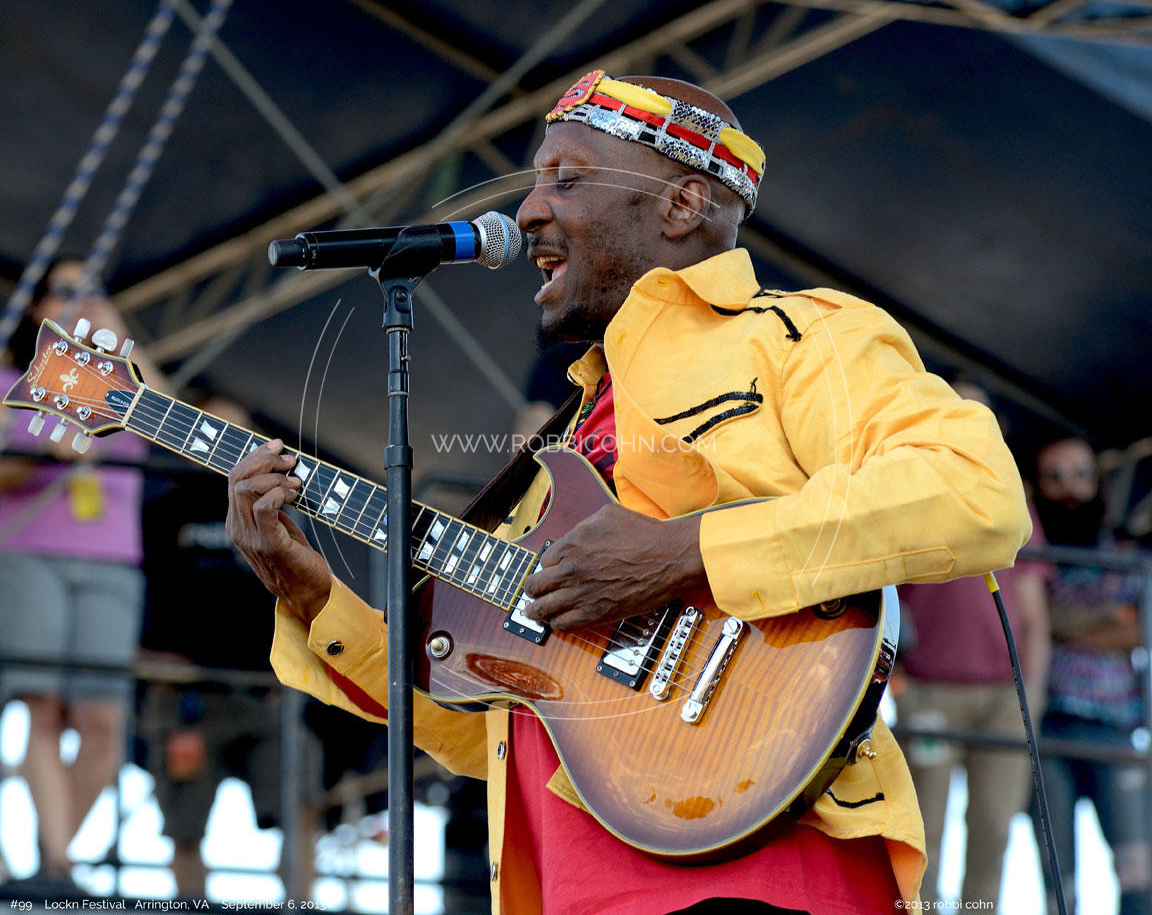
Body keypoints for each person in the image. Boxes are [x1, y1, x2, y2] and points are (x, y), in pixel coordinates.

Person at [225, 72, 1032, 913]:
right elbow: (512, 724)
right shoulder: (562, 447)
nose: (528, 211)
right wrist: (312, 597)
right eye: (537, 181)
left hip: (768, 879)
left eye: (567, 178)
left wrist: (684, 553)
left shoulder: (799, 336)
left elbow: (974, 489)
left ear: (681, 205)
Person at [0, 258, 161, 891]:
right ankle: (58, 867)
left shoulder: (126, 386)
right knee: (40, 704)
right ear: (37, 306)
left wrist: (120, 331)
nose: (78, 301)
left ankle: (50, 861)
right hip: (30, 552)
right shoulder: (11, 379)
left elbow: (173, 419)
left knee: (103, 723)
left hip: (114, 562)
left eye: (90, 290)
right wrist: (44, 450)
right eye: (64, 291)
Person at [135, 392, 321, 900]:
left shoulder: (275, 514)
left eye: (239, 437)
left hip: (264, 691)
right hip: (186, 696)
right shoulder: (162, 509)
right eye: (213, 431)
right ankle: (191, 907)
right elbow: (136, 601)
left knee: (300, 782)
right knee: (184, 824)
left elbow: (303, 596)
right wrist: (151, 665)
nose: (226, 445)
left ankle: (301, 904)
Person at [896, 376, 1052, 908]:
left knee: (994, 826)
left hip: (1005, 698)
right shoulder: (906, 487)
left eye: (975, 412)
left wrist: (1033, 692)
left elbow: (1033, 610)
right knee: (923, 830)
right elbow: (884, 600)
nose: (963, 419)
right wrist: (900, 683)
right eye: (951, 407)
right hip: (929, 691)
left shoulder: (1013, 495)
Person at [1031, 436, 1150, 915]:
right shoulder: (1027, 556)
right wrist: (1104, 618)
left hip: (1115, 724)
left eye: (1081, 474)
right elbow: (1031, 622)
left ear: (1099, 483)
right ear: (1037, 487)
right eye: (1055, 476)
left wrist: (1056, 625)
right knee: (1057, 875)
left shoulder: (1127, 552)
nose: (1070, 488)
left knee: (1137, 867)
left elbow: (1137, 630)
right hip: (1046, 723)